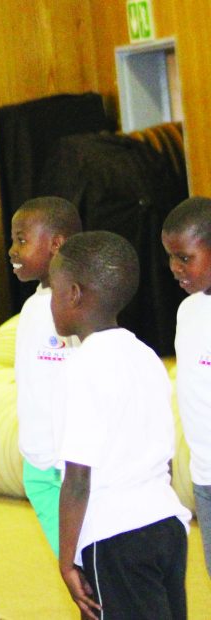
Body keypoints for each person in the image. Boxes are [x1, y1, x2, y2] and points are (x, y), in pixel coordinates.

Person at [51, 231, 191, 620]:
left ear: (75, 294)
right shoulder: (146, 356)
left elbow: (78, 478)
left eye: (55, 292)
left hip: (116, 535)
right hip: (167, 524)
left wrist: (66, 560)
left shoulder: (82, 367)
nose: (52, 302)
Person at [7, 196, 82, 556]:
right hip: (38, 465)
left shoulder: (79, 306)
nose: (12, 250)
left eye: (22, 239)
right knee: (71, 567)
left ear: (57, 244)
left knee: (86, 567)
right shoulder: (34, 304)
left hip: (70, 468)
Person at [162, 196, 211, 578]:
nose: (174, 268)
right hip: (205, 477)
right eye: (170, 257)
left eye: (184, 258)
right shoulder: (188, 310)